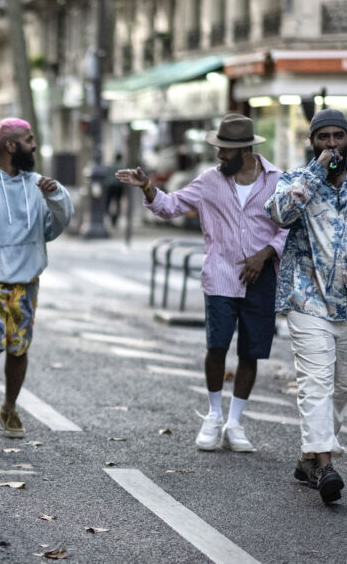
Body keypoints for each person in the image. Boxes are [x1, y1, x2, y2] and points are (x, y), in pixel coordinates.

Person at [116, 114, 288, 454]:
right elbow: (170, 206)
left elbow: (288, 226)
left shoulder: (277, 181)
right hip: (220, 275)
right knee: (216, 347)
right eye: (219, 149)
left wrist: (265, 254)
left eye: (226, 150)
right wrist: (147, 187)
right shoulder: (209, 181)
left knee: (251, 352)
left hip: (261, 278)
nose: (220, 156)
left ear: (246, 149)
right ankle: (213, 416)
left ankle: (235, 423)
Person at [265, 109, 347, 503]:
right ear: (312, 142)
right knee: (316, 383)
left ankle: (308, 458)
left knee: (341, 386)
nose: (332, 144)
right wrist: (315, 173)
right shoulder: (296, 181)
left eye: (338, 136)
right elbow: (279, 214)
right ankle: (325, 465)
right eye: (323, 138)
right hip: (308, 299)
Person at [0, 118, 73, 452]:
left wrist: (56, 197)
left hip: (27, 280)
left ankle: (9, 408)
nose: (34, 146)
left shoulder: (37, 184)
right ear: (11, 146)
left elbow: (54, 229)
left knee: (19, 348)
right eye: (29, 140)